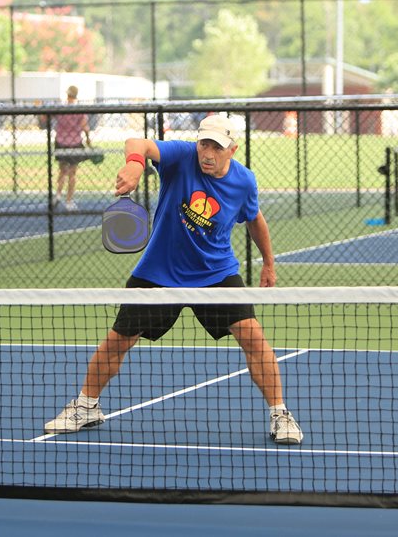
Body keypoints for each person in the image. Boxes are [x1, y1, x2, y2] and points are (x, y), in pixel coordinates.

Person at [44, 114, 303, 445]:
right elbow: (138, 143)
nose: (207, 153)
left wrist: (269, 262)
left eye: (217, 147)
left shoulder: (244, 181)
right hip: (159, 272)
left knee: (253, 338)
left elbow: (255, 220)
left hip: (215, 274)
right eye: (204, 144)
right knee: (117, 341)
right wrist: (136, 165)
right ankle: (86, 406)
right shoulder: (182, 157)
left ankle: (280, 413)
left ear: (233, 149)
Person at [52, 85, 91, 211]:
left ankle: (58, 195)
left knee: (62, 171)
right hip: (75, 142)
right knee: (72, 174)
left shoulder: (61, 107)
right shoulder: (79, 109)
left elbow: (47, 117)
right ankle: (68, 201)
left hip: (61, 141)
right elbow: (85, 126)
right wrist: (88, 139)